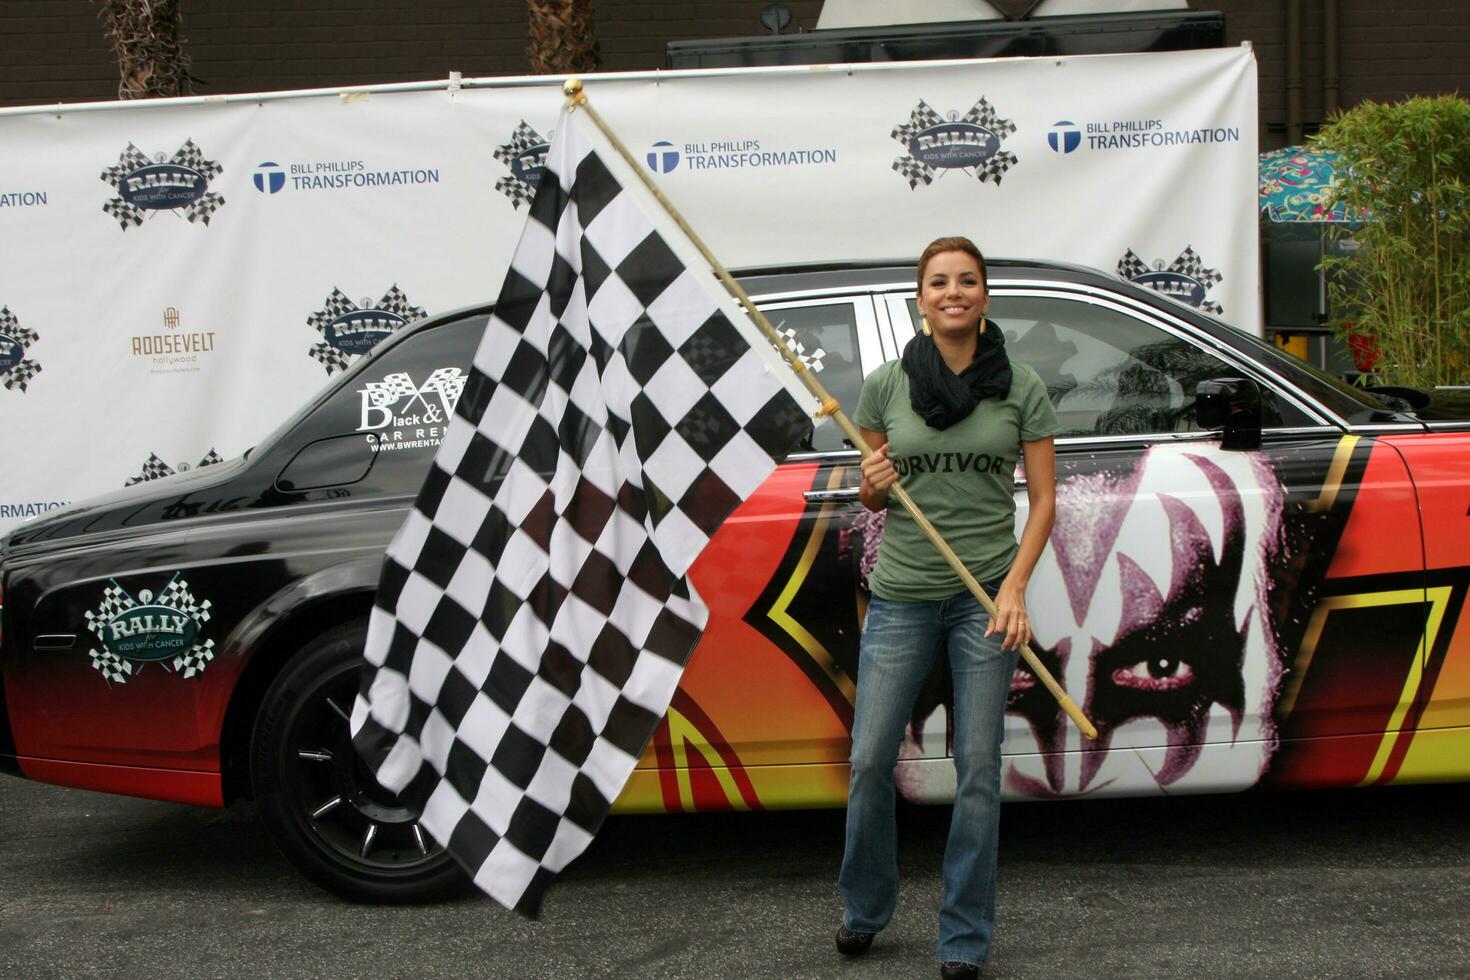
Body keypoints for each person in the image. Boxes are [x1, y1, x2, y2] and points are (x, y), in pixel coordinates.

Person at [835, 237, 1058, 979]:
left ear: (985, 297)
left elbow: (1045, 499)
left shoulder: (1021, 386)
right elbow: (876, 498)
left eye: (967, 281)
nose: (953, 292)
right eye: (939, 282)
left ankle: (964, 938)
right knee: (869, 761)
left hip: (985, 601)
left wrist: (1017, 588)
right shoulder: (884, 387)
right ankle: (865, 907)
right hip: (901, 596)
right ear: (921, 299)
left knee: (979, 770)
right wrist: (870, 480)